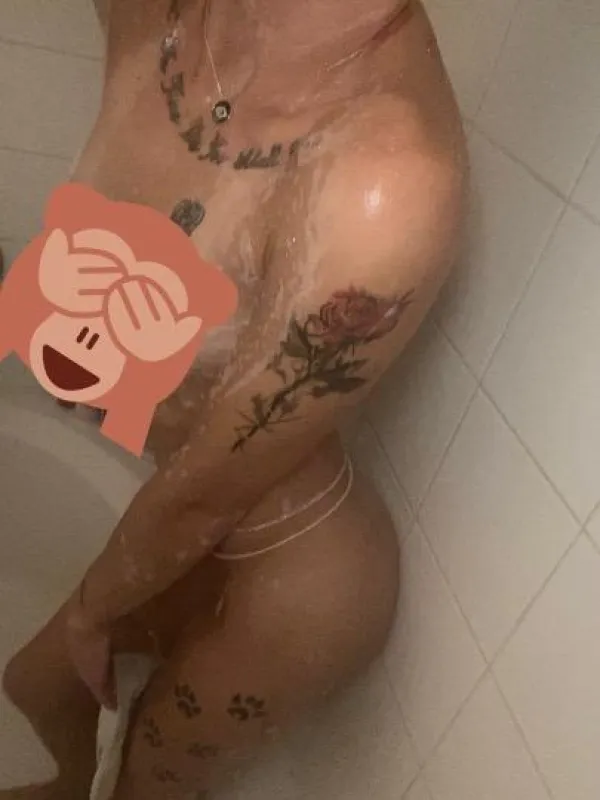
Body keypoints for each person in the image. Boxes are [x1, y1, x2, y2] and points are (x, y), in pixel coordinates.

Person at [1, 0, 467, 798]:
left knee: (142, 784)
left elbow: (207, 497)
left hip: (291, 579)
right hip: (187, 518)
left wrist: (89, 612)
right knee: (38, 688)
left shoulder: (385, 182)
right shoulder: (161, 17)